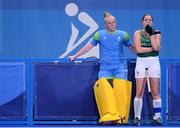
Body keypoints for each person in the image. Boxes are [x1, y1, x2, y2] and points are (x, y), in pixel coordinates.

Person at [69, 12, 135, 124]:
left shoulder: (123, 34)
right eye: (109, 23)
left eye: (113, 22)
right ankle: (108, 117)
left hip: (120, 67)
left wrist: (144, 55)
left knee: (120, 92)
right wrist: (75, 55)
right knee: (104, 91)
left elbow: (132, 48)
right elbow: (88, 47)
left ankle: (121, 118)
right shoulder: (99, 35)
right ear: (105, 25)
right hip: (105, 68)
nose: (112, 24)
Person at [133, 14, 162, 126]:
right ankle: (137, 117)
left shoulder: (156, 32)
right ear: (142, 22)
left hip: (154, 61)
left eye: (150, 20)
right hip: (141, 62)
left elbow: (156, 48)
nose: (148, 21)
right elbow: (138, 50)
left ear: (152, 22)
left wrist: (151, 35)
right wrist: (152, 49)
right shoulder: (137, 33)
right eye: (146, 20)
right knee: (139, 91)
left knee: (155, 91)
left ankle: (157, 117)